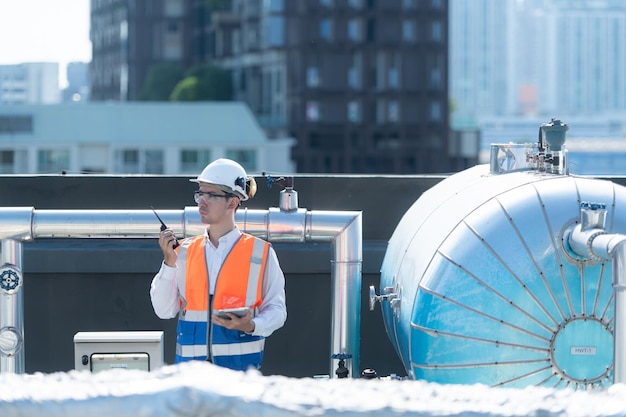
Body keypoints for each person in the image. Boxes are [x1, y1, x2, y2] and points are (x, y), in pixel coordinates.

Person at [150, 158, 287, 371]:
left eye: (211, 195)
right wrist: (169, 263)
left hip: (239, 381)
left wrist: (251, 325)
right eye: (200, 194)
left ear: (233, 202)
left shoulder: (260, 253)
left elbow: (277, 310)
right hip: (190, 379)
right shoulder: (182, 252)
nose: (202, 202)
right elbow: (163, 310)